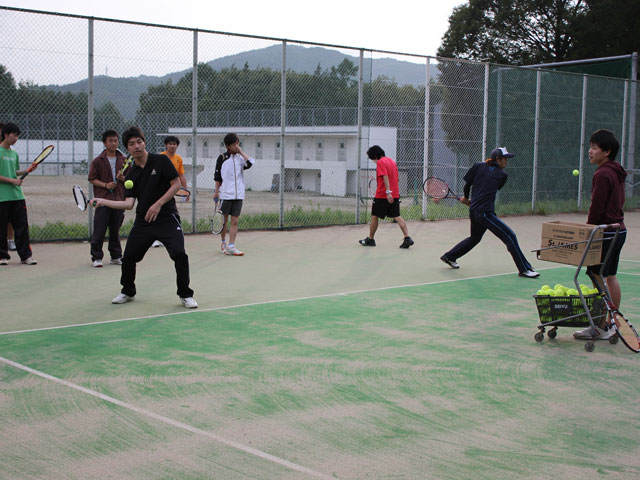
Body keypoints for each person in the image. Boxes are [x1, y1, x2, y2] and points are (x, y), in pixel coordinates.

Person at [91, 126, 197, 308]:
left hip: (167, 218)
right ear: (128, 149)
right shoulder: (131, 174)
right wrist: (102, 201)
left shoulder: (161, 161)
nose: (137, 146)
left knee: (180, 254)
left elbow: (176, 184)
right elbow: (128, 204)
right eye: (132, 144)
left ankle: (185, 294)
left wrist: (158, 204)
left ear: (144, 142)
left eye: (139, 142)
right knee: (129, 258)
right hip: (144, 222)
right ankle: (128, 291)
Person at [440, 147, 539, 278]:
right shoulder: (502, 175)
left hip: (475, 210)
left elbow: (468, 185)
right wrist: (470, 199)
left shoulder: (478, 166)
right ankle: (524, 269)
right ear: (497, 159)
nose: (506, 162)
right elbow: (489, 190)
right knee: (510, 236)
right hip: (485, 213)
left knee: (475, 238)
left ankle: (450, 256)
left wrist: (466, 198)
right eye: (505, 159)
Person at [574, 129, 627, 340]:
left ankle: (601, 325)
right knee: (610, 275)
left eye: (594, 148)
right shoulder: (616, 171)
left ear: (606, 152)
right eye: (590, 147)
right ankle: (610, 323)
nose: (590, 151)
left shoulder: (603, 173)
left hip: (605, 232)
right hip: (619, 230)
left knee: (595, 274)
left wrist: (589, 230)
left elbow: (597, 206)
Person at [359, 145, 414, 248]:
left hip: (383, 195)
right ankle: (407, 238)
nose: (374, 161)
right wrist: (393, 193)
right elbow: (397, 179)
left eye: (372, 159)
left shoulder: (380, 162)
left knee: (375, 216)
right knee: (397, 216)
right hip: (395, 194)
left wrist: (388, 192)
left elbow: (385, 176)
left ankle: (371, 239)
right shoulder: (392, 162)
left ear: (375, 156)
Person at [88, 129, 128, 267]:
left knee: (115, 230)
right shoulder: (97, 161)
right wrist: (106, 185)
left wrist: (123, 179)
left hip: (118, 200)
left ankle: (116, 256)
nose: (113, 143)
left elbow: (130, 180)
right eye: (110, 140)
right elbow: (92, 179)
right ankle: (96, 257)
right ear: (105, 143)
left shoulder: (124, 160)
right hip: (103, 200)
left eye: (116, 140)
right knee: (99, 230)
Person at [0, 122, 37, 265]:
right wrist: (12, 181)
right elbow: (8, 176)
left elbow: (14, 171)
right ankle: (2, 256)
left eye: (17, 136)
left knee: (22, 227)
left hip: (17, 196)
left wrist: (27, 170)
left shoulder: (14, 153)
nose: (16, 138)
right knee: (1, 228)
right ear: (6, 135)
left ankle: (26, 256)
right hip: (2, 197)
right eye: (14, 135)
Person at [213, 133, 254, 256]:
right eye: (234, 144)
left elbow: (251, 163)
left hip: (239, 195)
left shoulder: (241, 158)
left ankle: (232, 246)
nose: (237, 146)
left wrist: (241, 152)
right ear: (228, 146)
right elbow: (217, 177)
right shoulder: (222, 158)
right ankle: (223, 243)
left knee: (235, 221)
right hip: (226, 195)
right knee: (224, 221)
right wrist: (216, 192)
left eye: (238, 143)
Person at [152, 135, 189, 248]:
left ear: (177, 146)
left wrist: (186, 190)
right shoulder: (160, 157)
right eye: (170, 144)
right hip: (158, 191)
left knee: (168, 214)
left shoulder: (178, 159)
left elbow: (181, 175)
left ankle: (164, 237)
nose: (172, 146)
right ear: (165, 145)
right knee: (156, 213)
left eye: (174, 144)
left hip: (171, 192)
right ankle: (153, 239)